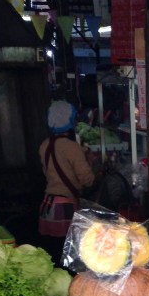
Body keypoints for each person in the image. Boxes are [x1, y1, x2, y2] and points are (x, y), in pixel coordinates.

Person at [38, 100, 96, 261]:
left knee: (51, 252)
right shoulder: (72, 147)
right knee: (68, 254)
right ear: (71, 120)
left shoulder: (44, 145)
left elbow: (47, 172)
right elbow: (87, 180)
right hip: (66, 206)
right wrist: (90, 162)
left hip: (48, 205)